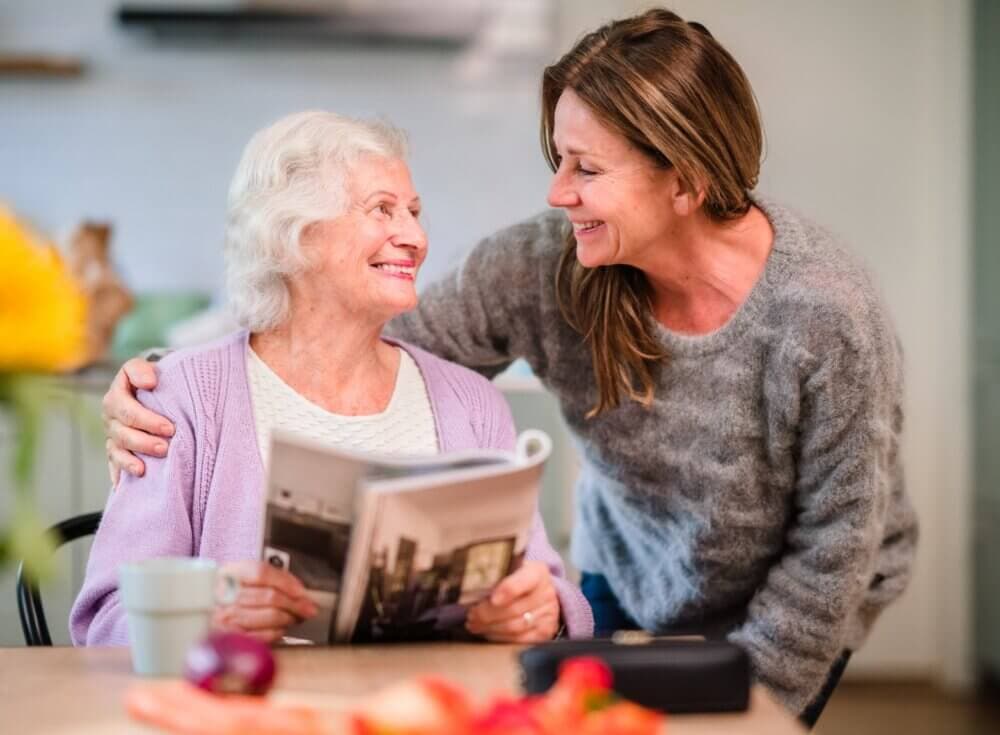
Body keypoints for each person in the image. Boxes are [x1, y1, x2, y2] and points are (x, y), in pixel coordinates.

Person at [99, 8, 917, 727]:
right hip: (628, 574)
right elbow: (344, 330)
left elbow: (834, 544)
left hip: (799, 600)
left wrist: (745, 703)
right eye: (558, 158)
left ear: (686, 180)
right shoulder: (545, 264)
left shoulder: (824, 314)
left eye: (587, 169)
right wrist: (172, 380)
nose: (558, 194)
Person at [71, 111, 593, 648]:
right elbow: (108, 614)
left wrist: (539, 611)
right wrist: (203, 621)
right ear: (293, 235)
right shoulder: (181, 398)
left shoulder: (472, 403)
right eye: (383, 210)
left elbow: (546, 590)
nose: (414, 236)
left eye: (414, 212)